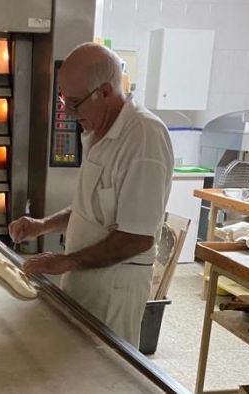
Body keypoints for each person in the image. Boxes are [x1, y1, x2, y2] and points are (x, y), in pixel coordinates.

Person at [9, 43, 174, 347]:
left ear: (107, 92)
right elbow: (91, 209)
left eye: (75, 102)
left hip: (114, 289)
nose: (68, 112)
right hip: (84, 277)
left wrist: (66, 261)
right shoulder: (99, 133)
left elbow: (137, 237)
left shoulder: (142, 140)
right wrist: (41, 225)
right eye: (64, 100)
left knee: (104, 373)